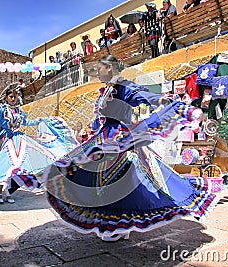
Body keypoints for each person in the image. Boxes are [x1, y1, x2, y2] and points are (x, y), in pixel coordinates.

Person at [39, 55, 218, 242]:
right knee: (90, 177)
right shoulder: (107, 90)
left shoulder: (123, 87)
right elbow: (101, 118)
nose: (97, 72)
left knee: (122, 180)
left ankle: (119, 225)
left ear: (110, 68)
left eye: (99, 68)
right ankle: (115, 225)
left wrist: (175, 107)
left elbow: (146, 96)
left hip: (121, 139)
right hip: (104, 137)